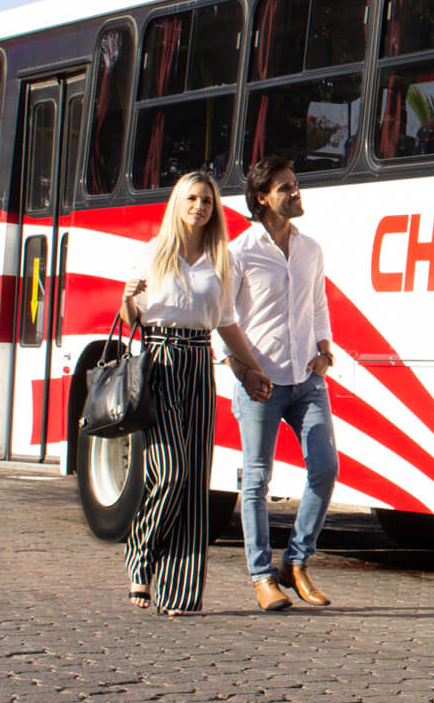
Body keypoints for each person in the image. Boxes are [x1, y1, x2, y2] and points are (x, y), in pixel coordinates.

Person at [121, 171, 272, 616]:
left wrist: (252, 368)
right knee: (170, 472)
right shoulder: (155, 253)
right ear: (178, 203)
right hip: (161, 362)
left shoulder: (219, 258)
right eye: (192, 199)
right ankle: (139, 559)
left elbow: (226, 323)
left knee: (194, 482)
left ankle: (179, 593)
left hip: (198, 362)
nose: (199, 207)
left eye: (206, 201)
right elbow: (132, 316)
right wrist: (129, 299)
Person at [230, 155, 339, 612]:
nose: (296, 192)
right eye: (285, 188)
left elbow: (318, 304)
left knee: (325, 468)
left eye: (295, 185)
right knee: (257, 480)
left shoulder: (310, 248)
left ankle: (296, 562)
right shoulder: (240, 251)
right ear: (262, 198)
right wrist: (243, 369)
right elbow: (225, 316)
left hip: (307, 380)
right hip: (262, 383)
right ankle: (261, 576)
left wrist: (325, 348)